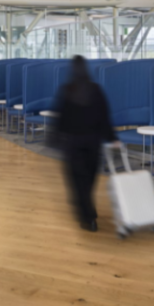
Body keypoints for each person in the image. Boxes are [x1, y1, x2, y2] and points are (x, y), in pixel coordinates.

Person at [54, 56, 118, 232]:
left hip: (73, 144)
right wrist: (112, 138)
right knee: (88, 182)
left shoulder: (67, 90)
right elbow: (104, 117)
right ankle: (89, 213)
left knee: (77, 182)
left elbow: (60, 119)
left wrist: (55, 139)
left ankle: (87, 217)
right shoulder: (96, 90)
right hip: (93, 143)